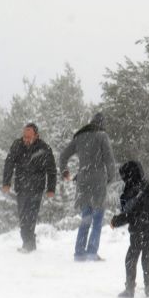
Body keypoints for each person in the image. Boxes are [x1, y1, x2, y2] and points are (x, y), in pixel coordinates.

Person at [59, 112, 116, 261]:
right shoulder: (102, 136)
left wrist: (64, 171)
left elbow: (63, 155)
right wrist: (110, 177)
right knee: (97, 219)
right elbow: (109, 159)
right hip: (98, 180)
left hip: (83, 180)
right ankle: (91, 252)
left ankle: (79, 252)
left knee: (86, 217)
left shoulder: (79, 137)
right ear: (102, 124)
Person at [1, 122, 57, 253]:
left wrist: (51, 189)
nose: (25, 139)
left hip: (37, 188)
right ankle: (29, 242)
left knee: (31, 216)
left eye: (28, 137)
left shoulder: (44, 148)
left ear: (36, 136)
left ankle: (28, 244)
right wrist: (6, 183)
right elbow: (9, 163)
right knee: (22, 216)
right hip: (21, 187)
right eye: (24, 136)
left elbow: (52, 170)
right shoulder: (17, 145)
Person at [109, 160, 149, 298]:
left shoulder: (134, 190)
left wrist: (116, 220)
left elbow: (131, 214)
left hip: (139, 229)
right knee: (147, 258)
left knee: (131, 258)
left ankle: (130, 289)